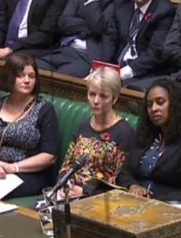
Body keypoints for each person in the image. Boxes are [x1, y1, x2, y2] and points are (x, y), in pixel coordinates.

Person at [0, 54, 59, 197]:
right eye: (20, 76)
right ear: (9, 77)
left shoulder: (44, 109)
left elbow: (50, 156)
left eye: (31, 76)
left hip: (29, 174)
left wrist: (13, 167)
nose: (27, 80)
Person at [118, 77, 181, 197]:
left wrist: (156, 200)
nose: (154, 109)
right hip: (134, 201)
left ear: (175, 104)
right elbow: (125, 171)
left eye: (160, 102)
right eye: (149, 105)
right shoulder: (145, 134)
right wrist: (132, 185)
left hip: (169, 208)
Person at [58, 67, 135, 197]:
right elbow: (66, 166)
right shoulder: (81, 127)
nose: (96, 101)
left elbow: (120, 181)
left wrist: (85, 192)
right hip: (69, 194)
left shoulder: (124, 132)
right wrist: (65, 185)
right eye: (92, 94)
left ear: (114, 99)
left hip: (99, 200)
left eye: (103, 96)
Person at [105, 0, 175, 88]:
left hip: (144, 72)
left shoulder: (165, 11)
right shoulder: (122, 1)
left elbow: (155, 54)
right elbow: (110, 38)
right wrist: (101, 66)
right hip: (117, 66)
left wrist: (122, 73)